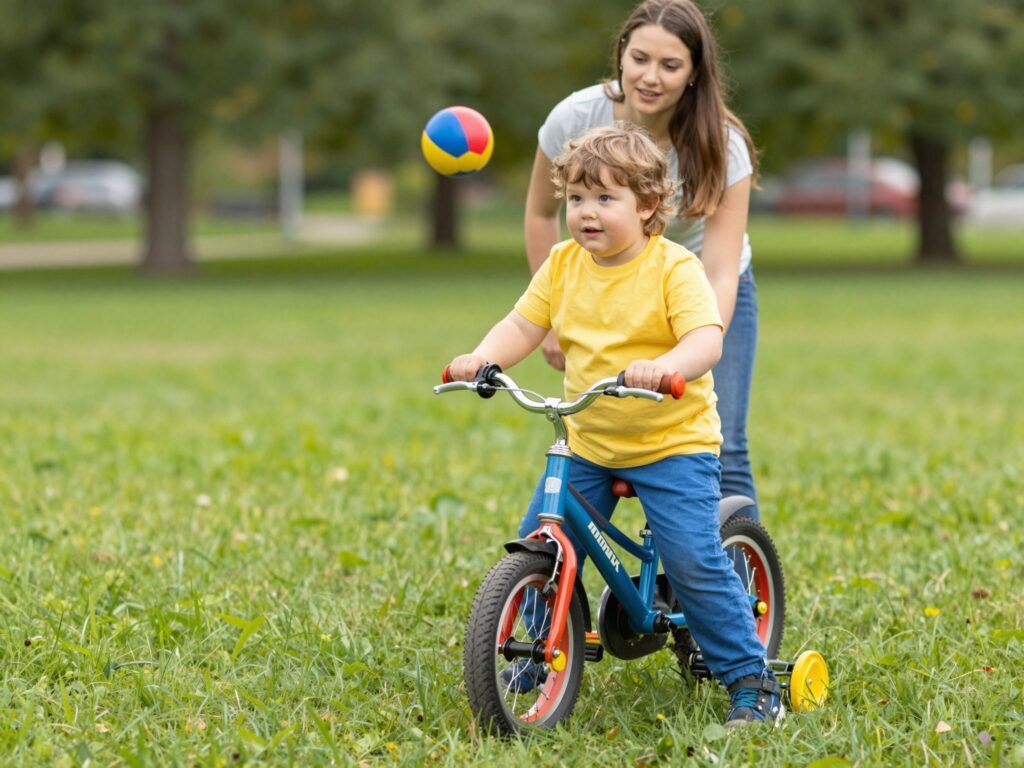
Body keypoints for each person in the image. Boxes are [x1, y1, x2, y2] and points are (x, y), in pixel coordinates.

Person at [447, 125, 781, 727]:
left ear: (648, 206)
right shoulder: (563, 264)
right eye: (576, 199)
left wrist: (667, 366)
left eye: (606, 199)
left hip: (671, 444)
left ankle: (750, 680)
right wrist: (483, 357)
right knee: (541, 539)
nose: (586, 213)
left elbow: (707, 339)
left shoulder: (672, 267)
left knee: (692, 558)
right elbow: (522, 324)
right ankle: (528, 661)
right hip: (591, 441)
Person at [525, 0, 763, 521]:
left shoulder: (723, 144)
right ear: (621, 56)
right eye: (639, 58)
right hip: (608, 279)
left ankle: (731, 578)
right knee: (596, 431)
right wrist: (550, 323)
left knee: (724, 442)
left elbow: (720, 270)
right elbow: (541, 214)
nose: (649, 77)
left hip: (702, 284)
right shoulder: (575, 117)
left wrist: (699, 342)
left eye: (670, 65)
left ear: (694, 73)